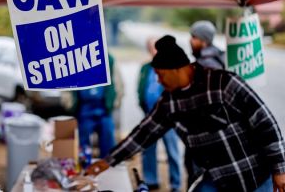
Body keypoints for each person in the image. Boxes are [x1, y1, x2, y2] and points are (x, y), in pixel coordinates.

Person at [86, 35, 285, 192]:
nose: (159, 81)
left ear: (177, 69)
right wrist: (107, 161)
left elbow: (266, 123)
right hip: (216, 179)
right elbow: (143, 134)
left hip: (253, 176)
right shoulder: (169, 102)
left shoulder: (223, 83)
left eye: (160, 74)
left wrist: (280, 169)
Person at [137, 38, 181, 191]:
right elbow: (141, 87)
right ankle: (151, 180)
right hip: (150, 116)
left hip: (168, 118)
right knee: (148, 151)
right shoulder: (145, 68)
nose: (154, 50)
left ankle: (176, 184)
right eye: (151, 47)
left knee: (172, 152)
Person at [186, 20, 226, 187]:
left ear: (204, 40)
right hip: (214, 136)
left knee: (200, 180)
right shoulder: (219, 57)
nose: (190, 40)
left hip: (205, 136)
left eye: (193, 37)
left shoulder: (206, 65)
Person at [67, 54, 122, 158]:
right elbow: (66, 82)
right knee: (83, 144)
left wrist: (115, 102)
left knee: (108, 142)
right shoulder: (75, 57)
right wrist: (69, 103)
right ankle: (84, 168)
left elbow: (118, 83)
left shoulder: (109, 59)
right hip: (84, 108)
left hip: (104, 108)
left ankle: (108, 166)